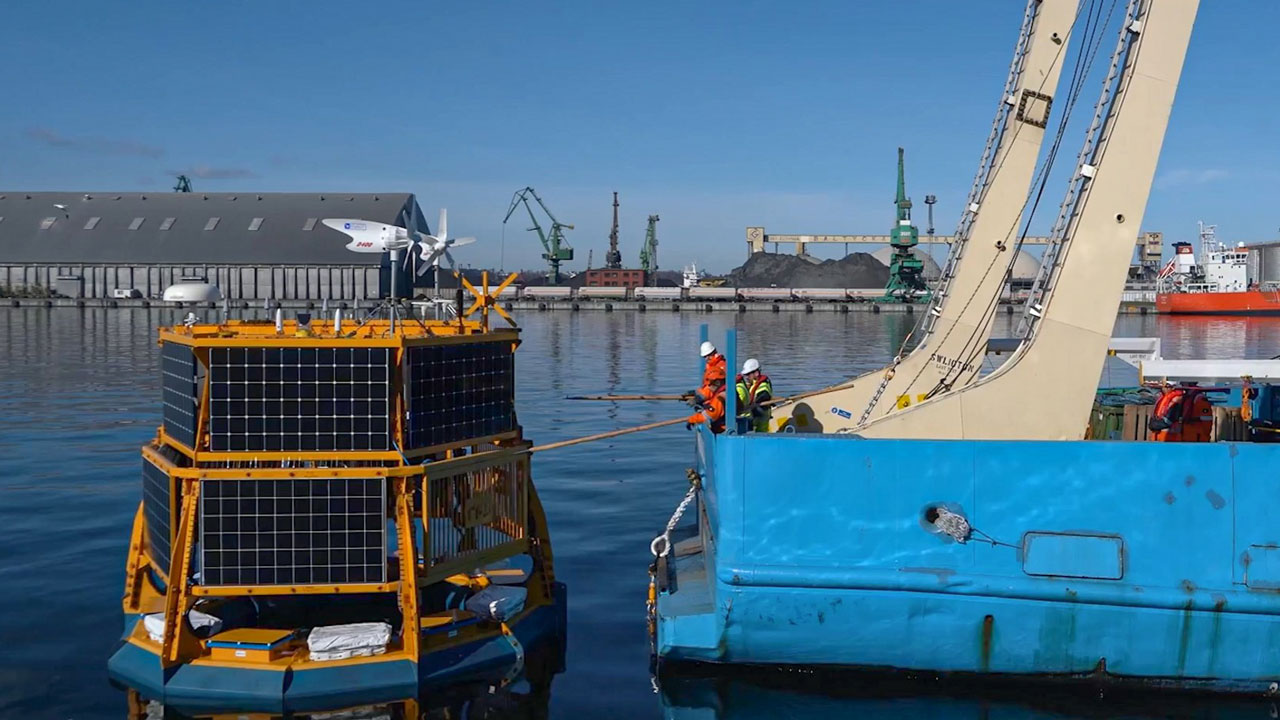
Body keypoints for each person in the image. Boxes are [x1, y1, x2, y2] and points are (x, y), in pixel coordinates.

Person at [735, 358, 773, 432]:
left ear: (756, 373)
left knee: (761, 434)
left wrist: (753, 404)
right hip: (757, 416)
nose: (747, 377)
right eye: (746, 375)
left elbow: (764, 395)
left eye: (749, 374)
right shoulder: (754, 383)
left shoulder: (763, 385)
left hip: (761, 417)